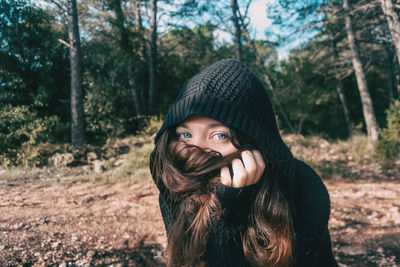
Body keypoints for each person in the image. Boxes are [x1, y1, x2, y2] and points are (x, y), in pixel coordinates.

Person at [150, 59, 337, 267]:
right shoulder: (176, 185)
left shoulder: (304, 188)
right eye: (185, 134)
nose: (196, 150)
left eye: (219, 135)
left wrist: (231, 212)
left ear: (253, 142)